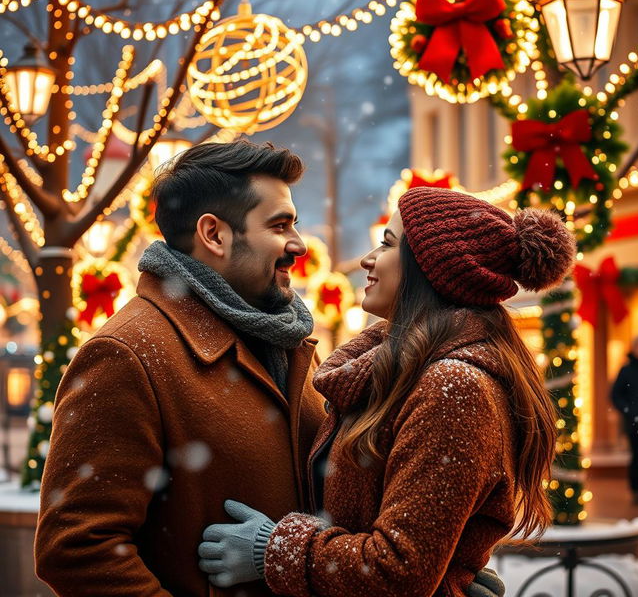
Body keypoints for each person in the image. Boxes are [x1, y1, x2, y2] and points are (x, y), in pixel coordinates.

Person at [35, 142, 502, 597]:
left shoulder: (293, 346)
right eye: (279, 226)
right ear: (214, 235)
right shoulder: (128, 353)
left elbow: (331, 509)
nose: (298, 244)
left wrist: (442, 575)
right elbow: (76, 548)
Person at [199, 187, 576, 597]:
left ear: (429, 271)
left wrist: (274, 549)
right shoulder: (403, 376)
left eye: (388, 244)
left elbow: (400, 570)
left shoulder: (453, 390)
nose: (368, 259)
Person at [611, 336, 638, 504]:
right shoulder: (626, 370)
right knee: (637, 457)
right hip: (635, 423)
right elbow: (615, 395)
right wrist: (629, 410)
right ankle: (636, 490)